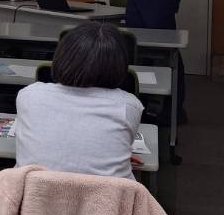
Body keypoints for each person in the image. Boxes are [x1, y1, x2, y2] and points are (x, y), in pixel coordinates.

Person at [14, 22, 142, 180]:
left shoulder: (29, 95)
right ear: (119, 65)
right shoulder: (129, 106)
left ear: (61, 57)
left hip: (33, 194)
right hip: (106, 196)